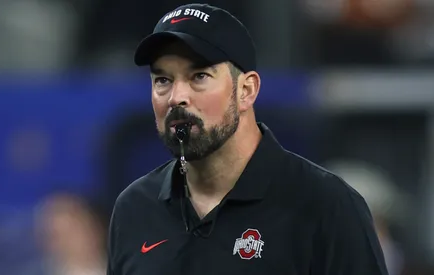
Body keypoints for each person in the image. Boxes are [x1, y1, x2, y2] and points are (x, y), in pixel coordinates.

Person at [107, 3, 389, 275]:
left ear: (247, 90)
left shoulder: (326, 205)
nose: (176, 96)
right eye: (163, 80)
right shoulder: (134, 209)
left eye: (199, 76)